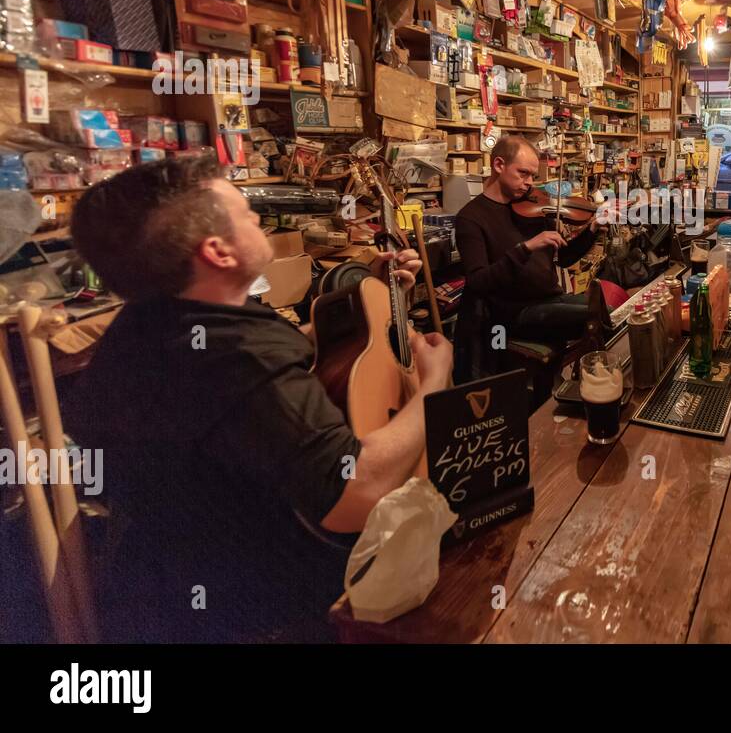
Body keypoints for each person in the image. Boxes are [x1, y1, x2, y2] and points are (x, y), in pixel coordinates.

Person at [70, 156, 452, 642]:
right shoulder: (236, 357)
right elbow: (356, 492)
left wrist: (375, 295)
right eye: (244, 212)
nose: (256, 218)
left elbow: (294, 353)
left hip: (163, 591)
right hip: (258, 617)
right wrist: (434, 383)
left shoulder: (161, 321)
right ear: (218, 252)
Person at [455, 135, 598, 345]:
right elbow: (478, 282)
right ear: (499, 165)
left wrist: (592, 230)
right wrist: (526, 248)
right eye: (523, 173)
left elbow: (565, 259)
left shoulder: (534, 208)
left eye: (532, 175)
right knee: (598, 316)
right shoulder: (471, 217)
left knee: (609, 309)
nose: (529, 183)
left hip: (550, 299)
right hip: (514, 311)